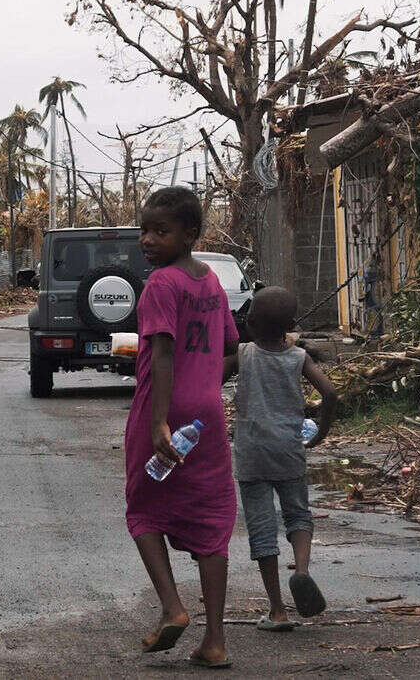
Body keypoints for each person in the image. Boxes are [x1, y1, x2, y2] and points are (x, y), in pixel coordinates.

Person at [125, 186, 238, 669]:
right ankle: (215, 642)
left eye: (160, 230)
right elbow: (232, 346)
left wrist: (158, 424)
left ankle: (172, 606)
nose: (148, 239)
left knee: (144, 510)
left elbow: (164, 352)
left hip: (164, 411)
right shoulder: (211, 280)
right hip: (208, 417)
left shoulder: (160, 285)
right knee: (212, 523)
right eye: (144, 229)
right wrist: (207, 387)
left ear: (190, 234)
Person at [225, 286, 338, 630]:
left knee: (262, 529)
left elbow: (210, 378)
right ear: (290, 325)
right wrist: (321, 432)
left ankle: (277, 610)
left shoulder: (243, 355)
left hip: (252, 453)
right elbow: (331, 392)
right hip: (288, 450)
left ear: (252, 323)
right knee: (298, 515)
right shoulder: (297, 358)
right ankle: (301, 571)